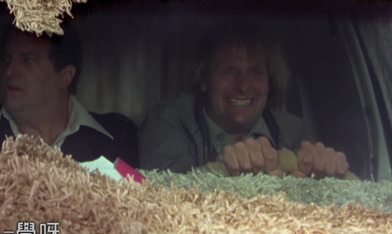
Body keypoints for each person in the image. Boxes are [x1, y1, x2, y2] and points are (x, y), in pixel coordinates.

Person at [138, 21, 352, 179]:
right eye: (229, 71)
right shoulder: (168, 123)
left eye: (255, 72)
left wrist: (329, 170)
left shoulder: (294, 132)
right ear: (204, 78)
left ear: (269, 82)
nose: (243, 86)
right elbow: (168, 198)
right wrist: (224, 171)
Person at [0, 22, 138, 170]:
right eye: (6, 59)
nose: (9, 71)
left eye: (28, 60)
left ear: (65, 76)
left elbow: (130, 210)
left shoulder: (116, 138)